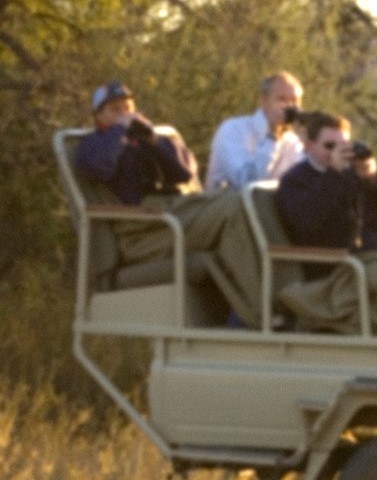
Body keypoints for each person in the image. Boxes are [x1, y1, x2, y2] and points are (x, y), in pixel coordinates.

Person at [73, 82, 264, 326]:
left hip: (171, 212)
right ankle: (259, 313)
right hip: (144, 229)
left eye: (128, 107)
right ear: (99, 116)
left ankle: (248, 313)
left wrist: (153, 139)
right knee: (231, 208)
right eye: (114, 110)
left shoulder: (144, 141)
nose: (124, 114)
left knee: (244, 200)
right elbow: (98, 167)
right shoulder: (93, 144)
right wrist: (118, 131)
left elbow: (184, 172)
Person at [275, 111, 377, 272]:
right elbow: (307, 222)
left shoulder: (354, 173)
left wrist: (373, 177)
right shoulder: (295, 180)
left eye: (344, 146)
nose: (337, 152)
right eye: (330, 146)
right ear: (309, 146)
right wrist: (334, 174)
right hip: (340, 267)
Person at [204, 71, 305, 190]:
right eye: (281, 99)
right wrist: (272, 136)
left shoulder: (292, 141)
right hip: (228, 206)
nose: (289, 106)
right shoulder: (233, 129)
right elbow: (247, 182)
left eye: (294, 101)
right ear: (264, 101)